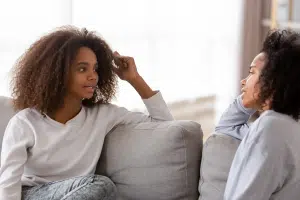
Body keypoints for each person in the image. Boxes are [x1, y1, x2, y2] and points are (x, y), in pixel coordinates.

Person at [0, 26, 174, 200]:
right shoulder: (25, 122)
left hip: (82, 193)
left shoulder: (103, 115)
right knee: (100, 185)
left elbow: (164, 123)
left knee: (100, 187)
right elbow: (8, 183)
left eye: (95, 69)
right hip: (31, 194)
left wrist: (134, 79)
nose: (93, 76)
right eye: (83, 69)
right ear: (57, 74)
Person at [216, 30, 300, 200]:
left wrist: (264, 92)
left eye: (252, 72)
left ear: (271, 80)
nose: (244, 80)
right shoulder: (290, 126)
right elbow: (226, 126)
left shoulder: (270, 127)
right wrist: (257, 94)